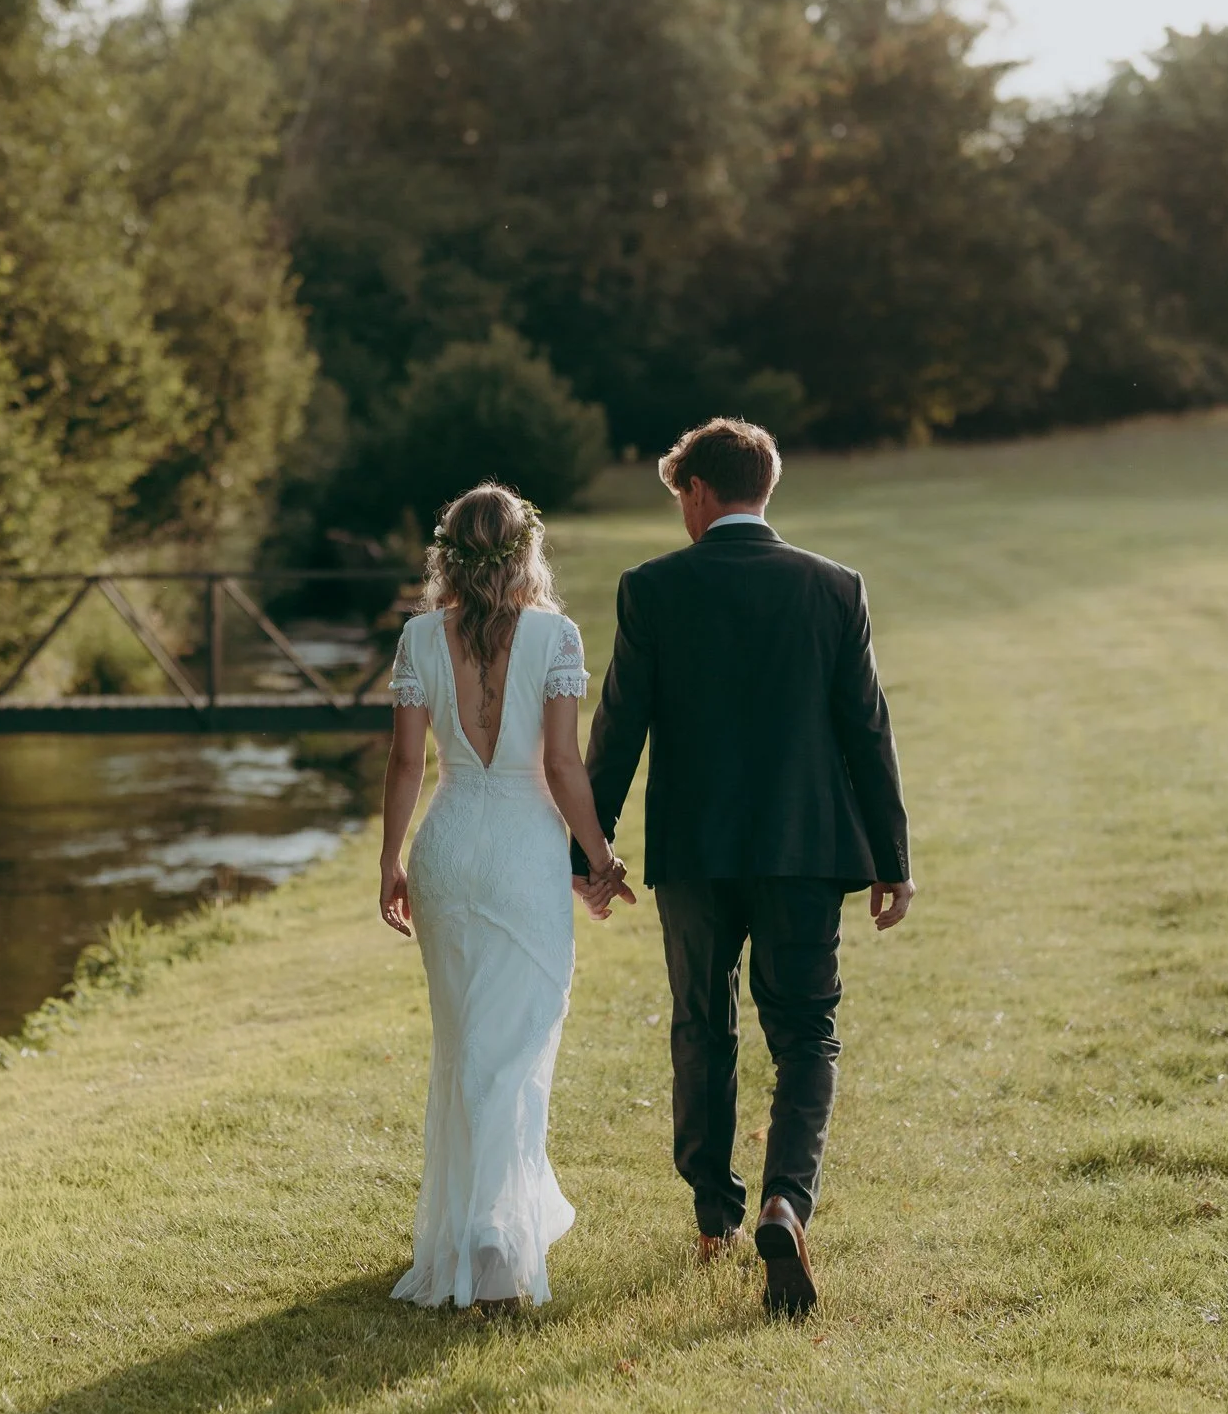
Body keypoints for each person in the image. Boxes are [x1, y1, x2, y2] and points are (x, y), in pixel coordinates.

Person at [577, 417, 913, 1318]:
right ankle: (784, 1202)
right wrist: (892, 859)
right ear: (765, 487)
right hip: (806, 850)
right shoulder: (833, 588)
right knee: (806, 1033)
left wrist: (591, 851)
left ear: (696, 490)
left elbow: (618, 730)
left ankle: (715, 1216)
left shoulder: (652, 589)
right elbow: (866, 730)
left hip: (695, 851)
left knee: (702, 1023)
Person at [376, 482, 629, 1315]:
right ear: (526, 551)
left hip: (447, 851)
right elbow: (562, 767)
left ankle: (474, 1234)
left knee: (465, 1050)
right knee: (515, 1052)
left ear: (447, 554)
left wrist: (390, 860)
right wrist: (599, 859)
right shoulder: (556, 634)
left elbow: (407, 766)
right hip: (522, 856)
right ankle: (494, 1245)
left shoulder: (418, 638)